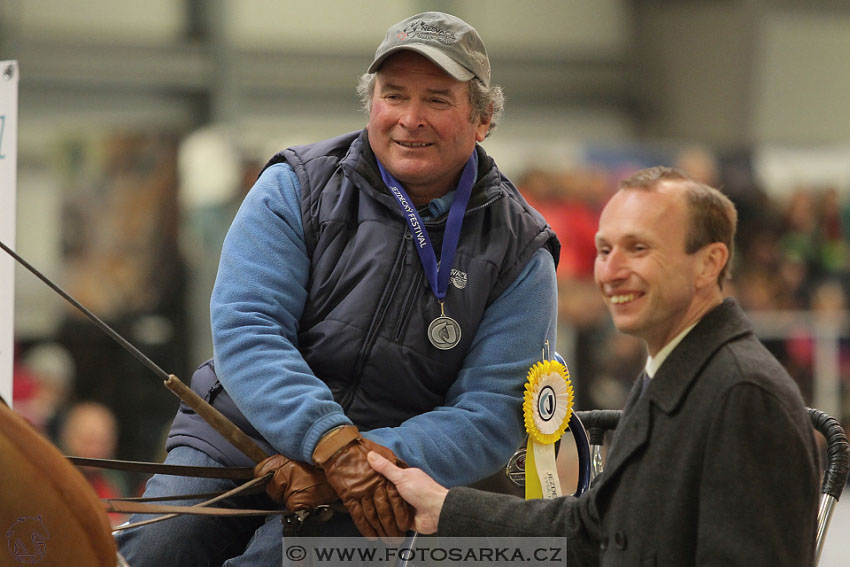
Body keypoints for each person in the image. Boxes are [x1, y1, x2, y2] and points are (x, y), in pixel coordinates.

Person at [117, 11, 559, 566]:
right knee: (154, 553)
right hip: (240, 432)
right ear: (370, 102)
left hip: (385, 478)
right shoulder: (294, 185)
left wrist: (365, 461)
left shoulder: (521, 250)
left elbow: (491, 409)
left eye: (438, 100)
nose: (410, 119)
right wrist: (328, 441)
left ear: (483, 117)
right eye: (393, 95)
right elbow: (248, 328)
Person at [369, 166, 820, 566]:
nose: (611, 271)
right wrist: (446, 510)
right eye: (604, 251)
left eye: (638, 249)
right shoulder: (677, 372)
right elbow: (594, 529)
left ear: (709, 263)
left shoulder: (741, 393)